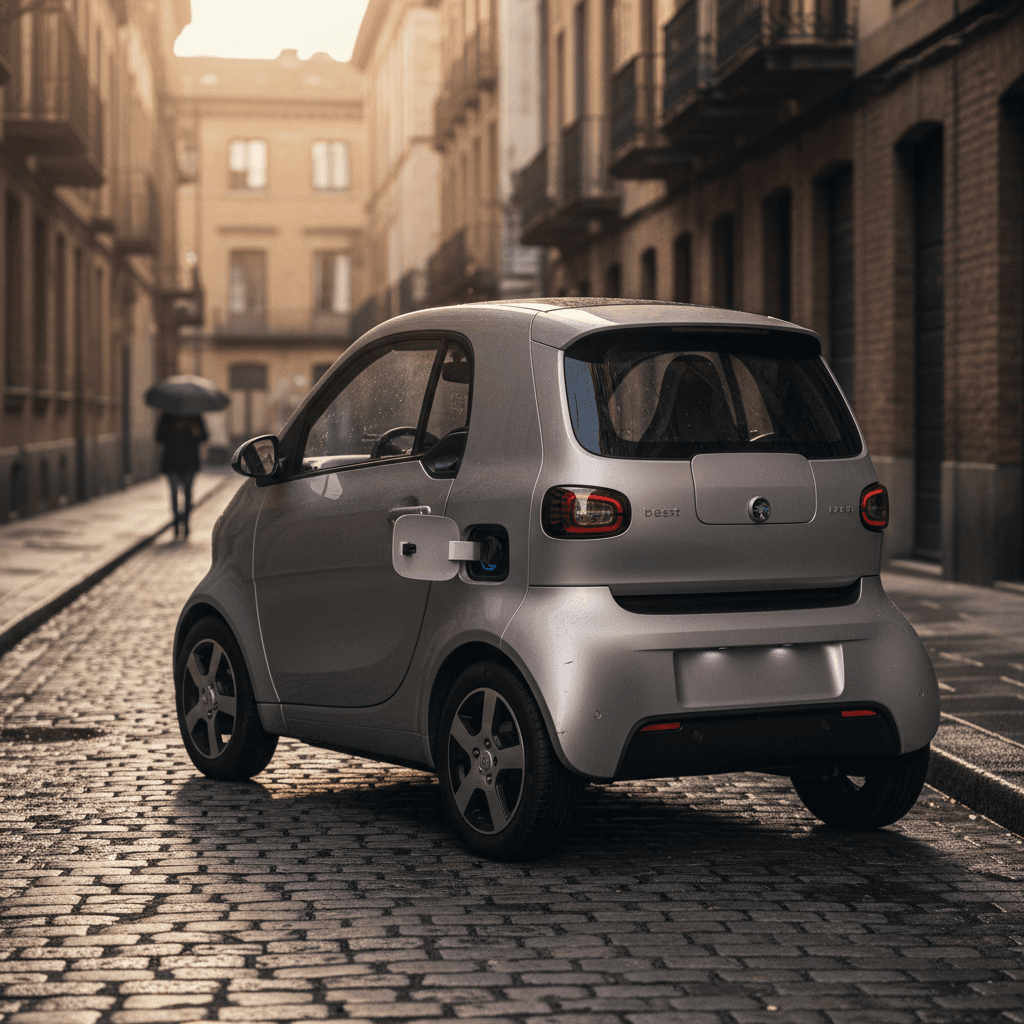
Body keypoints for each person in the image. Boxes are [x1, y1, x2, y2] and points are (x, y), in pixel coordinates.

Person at [156, 413, 207, 538]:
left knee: (188, 493)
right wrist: (173, 429)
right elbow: (158, 437)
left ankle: (187, 522)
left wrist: (195, 430)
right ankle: (175, 523)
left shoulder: (195, 416)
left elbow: (204, 437)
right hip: (171, 461)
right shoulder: (167, 415)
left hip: (189, 461)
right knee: (174, 492)